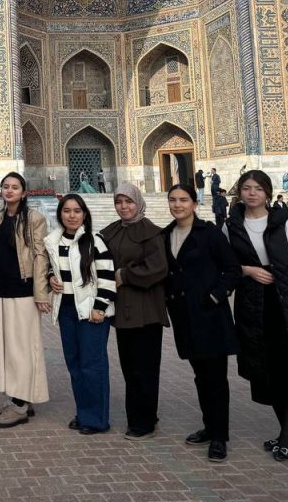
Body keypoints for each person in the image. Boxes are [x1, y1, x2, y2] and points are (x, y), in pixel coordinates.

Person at [225, 170, 288, 462]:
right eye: (247, 188)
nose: (252, 193)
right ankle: (287, 430)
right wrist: (248, 270)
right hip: (252, 305)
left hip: (284, 303)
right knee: (265, 368)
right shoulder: (232, 225)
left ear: (267, 192)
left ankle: (287, 435)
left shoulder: (282, 222)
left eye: (258, 189)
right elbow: (224, 263)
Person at [161, 184, 241, 463]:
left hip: (210, 316)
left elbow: (232, 270)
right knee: (200, 375)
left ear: (194, 203)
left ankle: (220, 436)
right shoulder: (165, 235)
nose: (177, 205)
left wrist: (216, 296)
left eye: (183, 200)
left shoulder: (210, 234)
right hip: (184, 317)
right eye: (173, 200)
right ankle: (209, 427)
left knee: (216, 378)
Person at [100, 183, 169, 440]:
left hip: (146, 310)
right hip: (124, 311)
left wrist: (124, 274)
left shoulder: (151, 233)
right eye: (119, 202)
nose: (124, 207)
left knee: (145, 367)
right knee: (130, 367)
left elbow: (158, 268)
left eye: (128, 202)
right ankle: (143, 414)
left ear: (138, 202)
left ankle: (143, 423)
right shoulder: (113, 231)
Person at [44, 193, 115, 434]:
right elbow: (51, 270)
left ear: (84, 214)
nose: (71, 215)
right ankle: (84, 413)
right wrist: (50, 278)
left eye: (76, 211)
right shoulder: (53, 241)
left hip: (90, 310)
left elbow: (107, 276)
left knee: (92, 365)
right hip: (66, 309)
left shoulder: (95, 241)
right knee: (74, 364)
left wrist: (100, 307)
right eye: (66, 211)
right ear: (60, 214)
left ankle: (97, 419)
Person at [0, 172, 50, 428]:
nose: (9, 191)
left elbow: (40, 255)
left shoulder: (34, 218)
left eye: (15, 187)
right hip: (2, 291)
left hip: (23, 291)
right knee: (11, 349)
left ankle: (21, 405)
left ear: (24, 192)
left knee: (23, 349)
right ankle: (21, 398)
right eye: (5, 186)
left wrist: (40, 293)